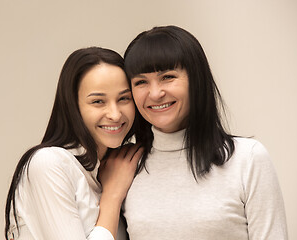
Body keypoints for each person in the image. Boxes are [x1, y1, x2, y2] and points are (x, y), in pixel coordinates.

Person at [121, 25, 288, 239]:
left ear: (197, 80)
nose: (155, 93)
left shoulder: (248, 159)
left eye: (168, 77)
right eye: (141, 82)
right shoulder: (125, 166)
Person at [4, 47, 143, 240]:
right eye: (98, 101)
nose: (115, 114)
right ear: (73, 106)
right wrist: (112, 196)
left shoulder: (116, 168)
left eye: (123, 98)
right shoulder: (49, 163)